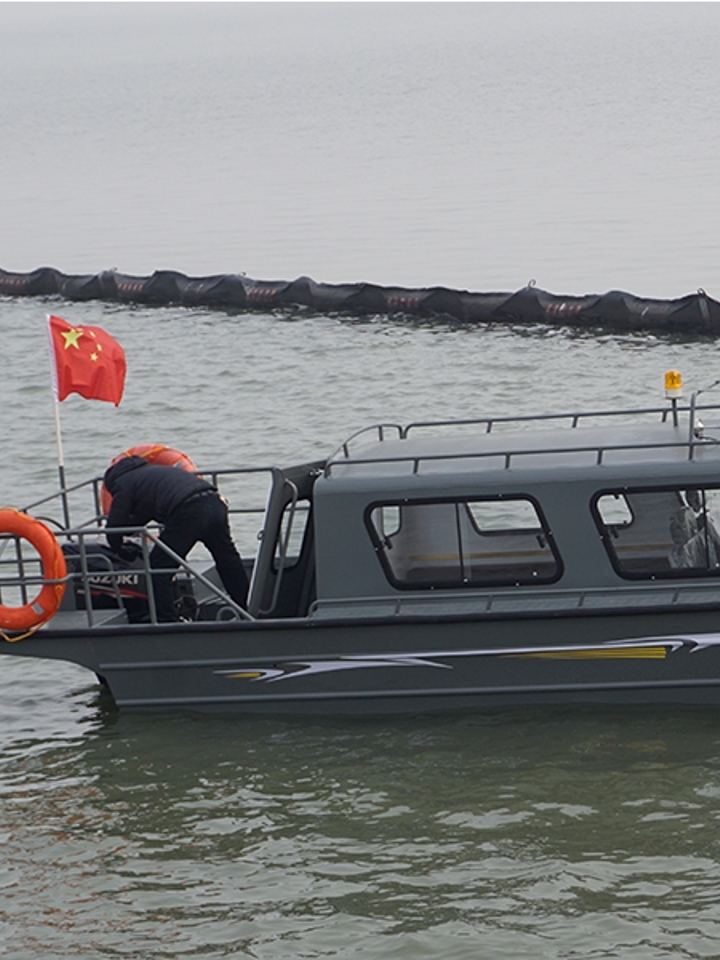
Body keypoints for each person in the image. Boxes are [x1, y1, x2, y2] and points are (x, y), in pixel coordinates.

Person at [103, 456, 249, 621]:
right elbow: (142, 515)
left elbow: (115, 526)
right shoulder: (153, 473)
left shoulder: (123, 483)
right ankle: (247, 608)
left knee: (159, 567)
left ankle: (166, 621)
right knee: (227, 560)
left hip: (188, 510)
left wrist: (118, 550)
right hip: (214, 501)